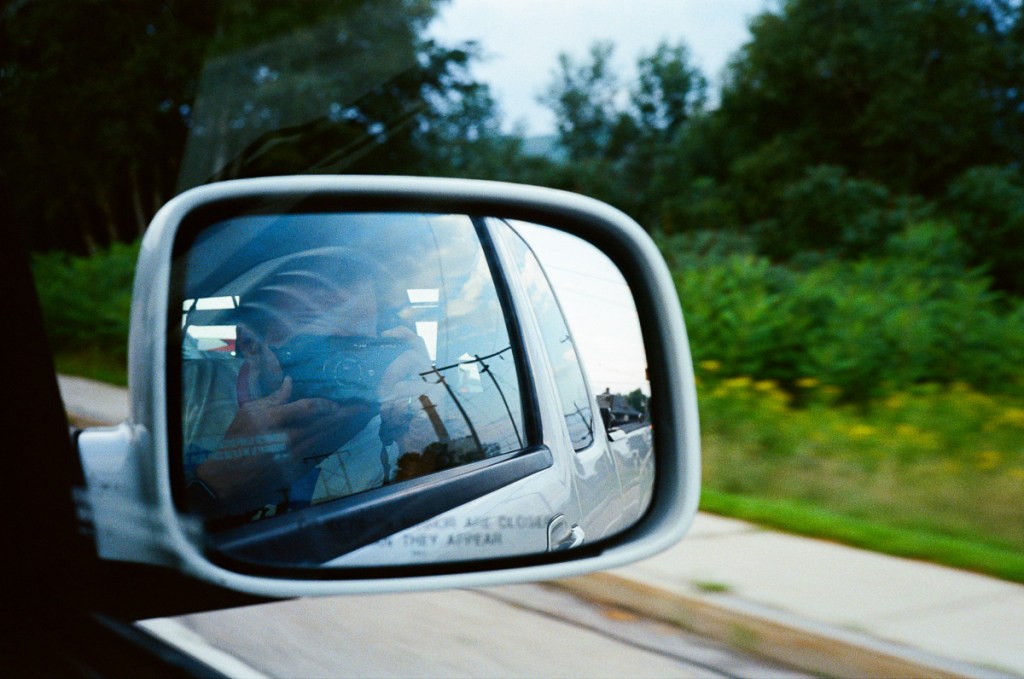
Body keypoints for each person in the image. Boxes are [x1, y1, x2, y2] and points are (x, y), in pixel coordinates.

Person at [183, 247, 440, 521]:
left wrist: (421, 441)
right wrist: (215, 484)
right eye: (320, 349)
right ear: (250, 345)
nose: (344, 368)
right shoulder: (187, 393)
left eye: (359, 346)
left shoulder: (388, 422)